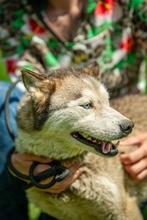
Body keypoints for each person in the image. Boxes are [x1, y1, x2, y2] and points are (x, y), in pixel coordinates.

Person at [0, 0, 147, 219]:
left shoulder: (130, 3)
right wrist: (17, 164)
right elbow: (27, 93)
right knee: (2, 96)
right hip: (61, 124)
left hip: (124, 112)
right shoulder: (10, 12)